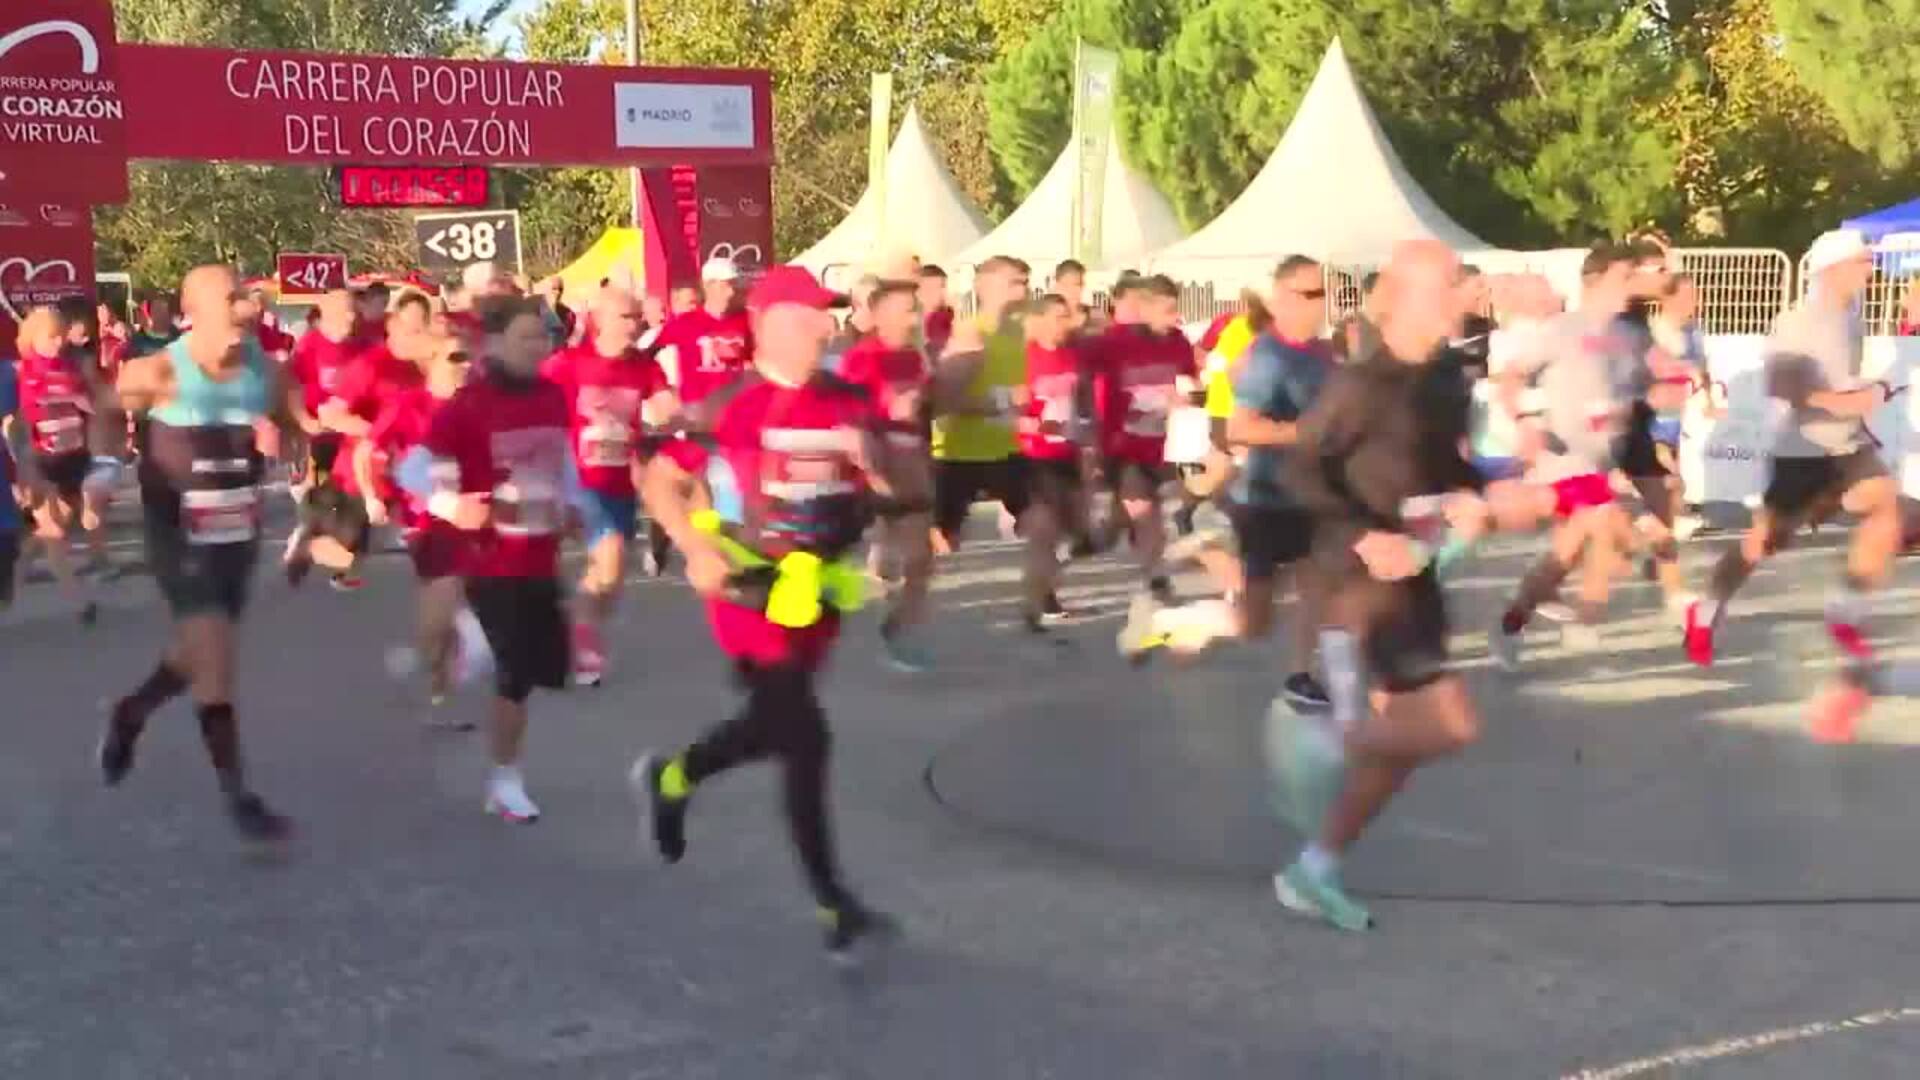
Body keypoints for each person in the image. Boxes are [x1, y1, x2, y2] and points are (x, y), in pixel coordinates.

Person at [1266, 240, 1545, 931]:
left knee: (1415, 741)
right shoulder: (1361, 386)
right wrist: (1365, 537)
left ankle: (1314, 868)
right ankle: (1324, 742)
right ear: (1403, 296)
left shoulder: (1446, 378)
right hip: (1359, 581)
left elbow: (1439, 470)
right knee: (1448, 722)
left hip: (1416, 573)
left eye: (1460, 282)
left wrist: (1487, 494)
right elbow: (1298, 474)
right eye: (1447, 284)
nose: (1462, 293)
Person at [630, 265, 898, 964]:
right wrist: (692, 545)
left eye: (828, 314)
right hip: (746, 587)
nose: (827, 325)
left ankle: (671, 778)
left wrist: (885, 486)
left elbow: (893, 483)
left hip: (816, 592)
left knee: (775, 727)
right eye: (811, 315)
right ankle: (832, 902)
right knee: (806, 737)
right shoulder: (728, 406)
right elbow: (660, 479)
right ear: (768, 325)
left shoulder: (850, 400)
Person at [99, 264, 299, 846]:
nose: (246, 306)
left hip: (236, 535)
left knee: (196, 654)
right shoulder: (158, 370)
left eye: (245, 296)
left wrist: (303, 433)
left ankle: (131, 712)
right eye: (230, 298)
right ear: (194, 312)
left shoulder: (265, 369)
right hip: (180, 536)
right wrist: (104, 456)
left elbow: (293, 417)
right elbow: (108, 405)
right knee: (216, 659)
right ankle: (239, 796)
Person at [1120, 257, 1334, 715]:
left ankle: (1301, 675)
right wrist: (1302, 434)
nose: (1319, 304)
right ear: (1280, 299)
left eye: (1322, 293)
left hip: (1311, 494)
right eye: (1307, 294)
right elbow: (1238, 428)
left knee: (1319, 585)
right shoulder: (1269, 356)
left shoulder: (1322, 352)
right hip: (1268, 498)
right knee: (1254, 622)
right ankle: (1168, 617)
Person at [1683, 228, 1895, 668]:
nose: (1869, 268)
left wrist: (1862, 399)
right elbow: (1783, 385)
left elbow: (1839, 380)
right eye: (1861, 261)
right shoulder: (1797, 321)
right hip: (1802, 450)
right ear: (1833, 270)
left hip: (1849, 447)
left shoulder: (1852, 317)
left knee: (1887, 510)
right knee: (1764, 541)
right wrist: (1844, 401)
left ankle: (1845, 613)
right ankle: (1703, 613)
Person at [410, 296, 576, 821]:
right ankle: (506, 784)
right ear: (496, 343)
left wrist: (573, 505)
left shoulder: (553, 396)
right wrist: (451, 505)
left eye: (543, 336)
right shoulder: (466, 406)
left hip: (541, 557)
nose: (538, 346)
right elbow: (415, 474)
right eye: (527, 337)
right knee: (515, 674)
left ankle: (469, 641)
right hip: (491, 562)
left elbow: (562, 460)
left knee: (541, 673)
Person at [1489, 244, 1653, 665]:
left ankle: (1511, 621)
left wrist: (1631, 408)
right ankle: (1584, 622)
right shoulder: (1561, 330)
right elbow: (1510, 377)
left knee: (1565, 554)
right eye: (1624, 277)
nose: (1630, 287)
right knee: (1610, 528)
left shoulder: (1630, 336)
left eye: (1634, 278)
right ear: (1593, 282)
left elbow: (1639, 393)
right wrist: (1526, 421)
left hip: (1600, 461)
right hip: (1560, 460)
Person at [540, 285, 675, 687]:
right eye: (625, 317)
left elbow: (668, 405)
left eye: (637, 317)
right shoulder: (569, 364)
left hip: (621, 482)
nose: (634, 325)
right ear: (600, 320)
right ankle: (585, 649)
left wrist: (679, 417)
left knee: (610, 581)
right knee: (610, 556)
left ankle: (574, 628)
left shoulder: (643, 366)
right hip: (579, 480)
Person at [361, 330, 479, 723]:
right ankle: (430, 671)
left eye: (468, 358)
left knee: (455, 606)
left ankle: (437, 690)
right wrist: (371, 496)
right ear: (430, 361)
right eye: (455, 358)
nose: (464, 365)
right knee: (442, 612)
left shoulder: (477, 405)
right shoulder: (408, 404)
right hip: (429, 524)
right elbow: (367, 451)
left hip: (478, 517)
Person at [838, 279, 936, 671]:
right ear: (878, 315)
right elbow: (851, 418)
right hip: (881, 468)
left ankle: (896, 630)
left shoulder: (915, 358)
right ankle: (889, 630)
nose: (914, 316)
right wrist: (874, 461)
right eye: (906, 309)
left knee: (921, 560)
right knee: (901, 555)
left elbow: (920, 412)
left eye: (916, 308)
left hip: (913, 464)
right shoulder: (863, 359)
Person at [1089, 274, 1194, 600]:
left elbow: (1190, 383)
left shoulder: (1178, 342)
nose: (1174, 318)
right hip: (1122, 445)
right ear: (1143, 309)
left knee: (1135, 514)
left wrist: (1185, 398)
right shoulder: (1113, 343)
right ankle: (1157, 579)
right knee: (1148, 514)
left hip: (1161, 444)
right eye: (1167, 310)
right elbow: (1086, 391)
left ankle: (1104, 534)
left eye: (1175, 309)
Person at [930, 256, 1032, 554]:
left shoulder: (1021, 334)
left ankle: (1043, 597)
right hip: (962, 454)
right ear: (984, 287)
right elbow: (945, 400)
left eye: (1025, 284)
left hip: (1010, 451)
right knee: (943, 543)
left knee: (1042, 528)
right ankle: (918, 594)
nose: (1022, 292)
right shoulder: (971, 332)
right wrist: (1005, 400)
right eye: (1014, 283)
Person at [10, 305, 100, 622]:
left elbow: (89, 407)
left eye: (61, 336)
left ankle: (12, 579)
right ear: (33, 337)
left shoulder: (71, 368)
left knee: (53, 529)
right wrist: (21, 467)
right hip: (37, 459)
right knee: (53, 533)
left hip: (71, 456)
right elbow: (18, 420)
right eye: (51, 337)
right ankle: (78, 602)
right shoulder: (22, 372)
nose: (58, 342)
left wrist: (79, 399)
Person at [1015, 293, 1094, 632]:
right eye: (1060, 316)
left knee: (1079, 532)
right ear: (1041, 320)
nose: (1068, 322)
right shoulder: (1022, 358)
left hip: (1069, 452)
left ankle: (1042, 589)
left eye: (1068, 316)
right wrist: (1027, 422)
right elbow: (1004, 409)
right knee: (1045, 533)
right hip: (1034, 456)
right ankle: (1039, 601)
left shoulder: (1073, 356)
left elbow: (1084, 403)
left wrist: (1090, 438)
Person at [283, 289, 371, 590]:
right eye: (345, 311)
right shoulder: (310, 346)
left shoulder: (359, 346)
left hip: (352, 437)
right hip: (321, 437)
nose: (351, 317)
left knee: (357, 505)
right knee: (325, 503)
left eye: (353, 311)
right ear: (325, 313)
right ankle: (307, 539)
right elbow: (291, 386)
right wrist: (304, 419)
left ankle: (339, 559)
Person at [918, 264, 955, 356]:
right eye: (932, 288)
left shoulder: (951, 318)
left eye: (943, 286)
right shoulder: (909, 321)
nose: (941, 292)